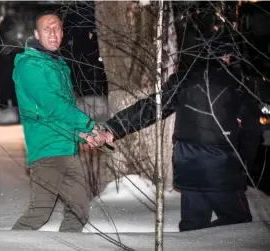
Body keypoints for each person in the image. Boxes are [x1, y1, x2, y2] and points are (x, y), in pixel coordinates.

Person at [85, 49, 262, 231]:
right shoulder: (236, 83)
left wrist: (114, 128)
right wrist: (245, 165)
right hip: (223, 170)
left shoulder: (184, 79)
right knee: (239, 226)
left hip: (188, 167)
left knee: (194, 228)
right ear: (226, 56)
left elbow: (150, 108)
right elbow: (252, 130)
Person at [11, 12, 101, 232]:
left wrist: (81, 135)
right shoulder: (30, 65)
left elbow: (55, 115)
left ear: (62, 33)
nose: (53, 33)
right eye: (46, 29)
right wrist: (89, 125)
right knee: (39, 212)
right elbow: (54, 105)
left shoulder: (58, 65)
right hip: (47, 150)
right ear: (36, 34)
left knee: (79, 211)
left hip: (66, 148)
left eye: (57, 28)